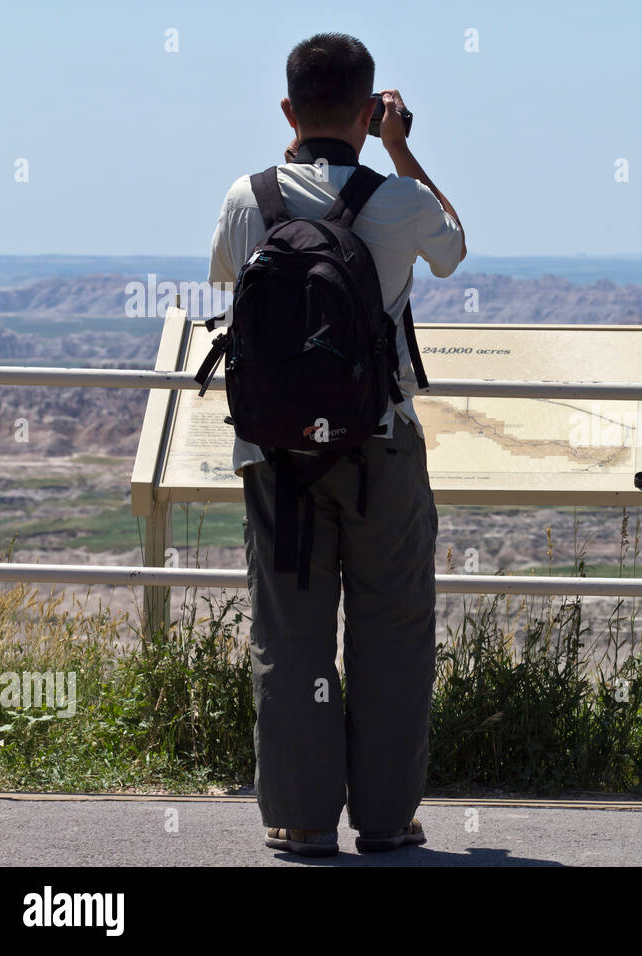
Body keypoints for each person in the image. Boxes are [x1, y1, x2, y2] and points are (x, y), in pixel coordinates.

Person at [207, 32, 465, 856]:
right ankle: (387, 821)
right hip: (381, 444)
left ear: (287, 111)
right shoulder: (397, 200)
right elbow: (454, 246)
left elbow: (227, 282)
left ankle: (300, 817)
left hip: (276, 456)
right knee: (391, 631)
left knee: (292, 634)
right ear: (369, 109)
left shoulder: (247, 198)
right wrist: (400, 149)